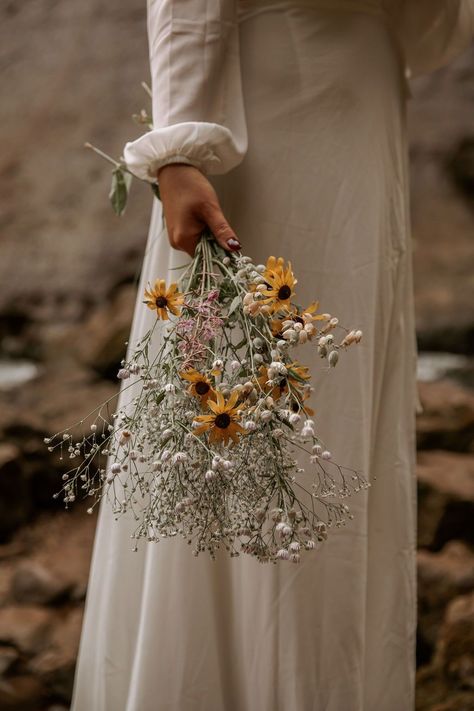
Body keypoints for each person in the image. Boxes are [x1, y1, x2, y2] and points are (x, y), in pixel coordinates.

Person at [70, 2, 474, 710]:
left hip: (359, 114)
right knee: (250, 428)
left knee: (336, 421)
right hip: (270, 121)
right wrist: (181, 150)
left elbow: (431, 35)